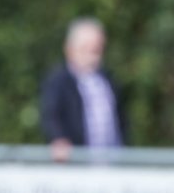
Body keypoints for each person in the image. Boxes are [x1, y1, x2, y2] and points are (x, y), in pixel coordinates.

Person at [39, 17, 126, 162]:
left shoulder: (108, 80)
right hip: (78, 162)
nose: (92, 54)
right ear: (70, 49)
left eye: (97, 49)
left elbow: (121, 120)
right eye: (86, 48)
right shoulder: (59, 81)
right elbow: (51, 115)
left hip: (112, 160)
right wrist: (59, 139)